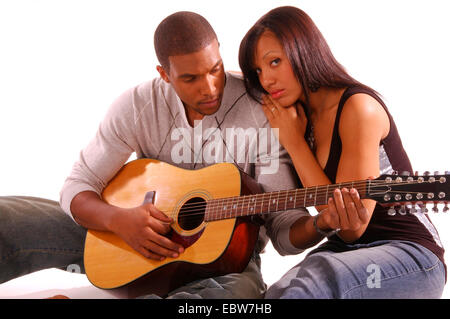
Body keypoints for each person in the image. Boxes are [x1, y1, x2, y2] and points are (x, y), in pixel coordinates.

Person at [0, 11, 310, 299]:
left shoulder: (264, 110)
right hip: (123, 244)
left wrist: (322, 224)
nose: (210, 87)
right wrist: (118, 220)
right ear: (164, 73)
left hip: (227, 264)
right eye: (190, 78)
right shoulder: (138, 105)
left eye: (214, 69)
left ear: (219, 50)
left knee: (230, 297)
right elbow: (78, 185)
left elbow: (283, 230)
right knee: (7, 219)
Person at [239, 6, 446, 298]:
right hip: (346, 251)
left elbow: (352, 227)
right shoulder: (298, 114)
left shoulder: (359, 109)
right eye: (258, 71)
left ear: (304, 51)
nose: (266, 80)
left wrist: (294, 143)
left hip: (409, 255)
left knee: (310, 285)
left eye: (275, 62)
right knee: (277, 293)